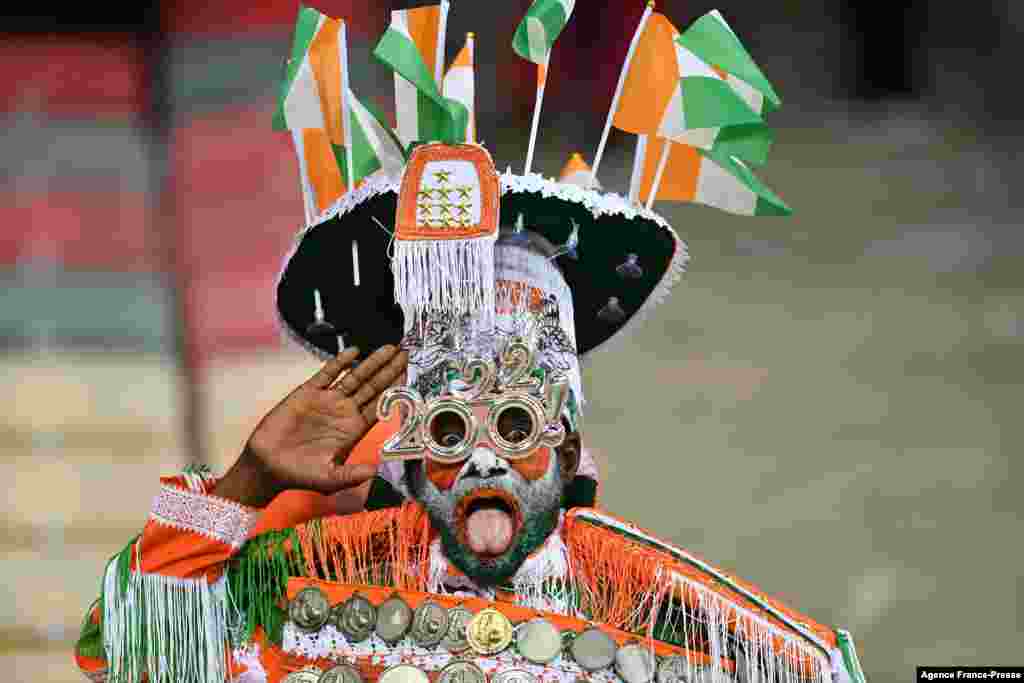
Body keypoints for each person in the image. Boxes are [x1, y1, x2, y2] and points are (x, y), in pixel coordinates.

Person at [74, 6, 867, 683]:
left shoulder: (656, 607)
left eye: (515, 424)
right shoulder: (317, 581)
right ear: (412, 459)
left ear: (565, 450)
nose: (484, 460)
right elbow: (124, 648)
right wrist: (245, 481)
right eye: (453, 430)